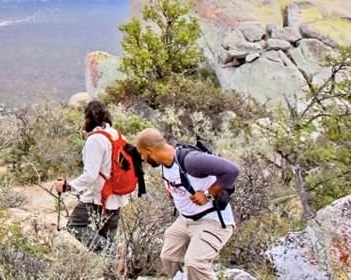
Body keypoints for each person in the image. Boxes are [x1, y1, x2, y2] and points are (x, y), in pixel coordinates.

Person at [134, 129, 239, 280]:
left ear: (150, 150)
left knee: (195, 264)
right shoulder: (165, 163)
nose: (143, 158)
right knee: (169, 257)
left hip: (212, 220)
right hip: (186, 220)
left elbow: (232, 170)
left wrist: (209, 193)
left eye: (142, 153)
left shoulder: (191, 161)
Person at [53, 100, 134, 251]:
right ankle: (116, 263)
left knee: (75, 225)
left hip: (99, 195)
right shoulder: (117, 134)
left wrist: (68, 187)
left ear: (88, 118)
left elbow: (91, 174)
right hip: (117, 194)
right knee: (107, 234)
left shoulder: (95, 139)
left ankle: (115, 253)